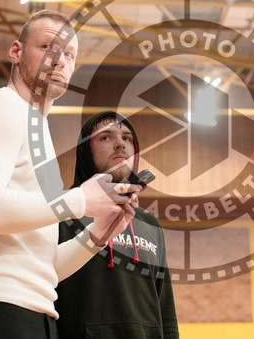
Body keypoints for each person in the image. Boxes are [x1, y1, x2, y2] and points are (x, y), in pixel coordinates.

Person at [0, 10, 140, 338]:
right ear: (16, 52)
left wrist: (97, 234)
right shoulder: (0, 105)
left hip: (33, 313)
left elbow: (45, 270)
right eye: (47, 47)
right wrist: (78, 200)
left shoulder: (39, 135)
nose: (59, 60)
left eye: (69, 53)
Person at [55, 111, 180, 339]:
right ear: (86, 150)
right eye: (106, 137)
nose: (120, 144)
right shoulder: (62, 211)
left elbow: (166, 308)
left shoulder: (150, 223)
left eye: (127, 138)